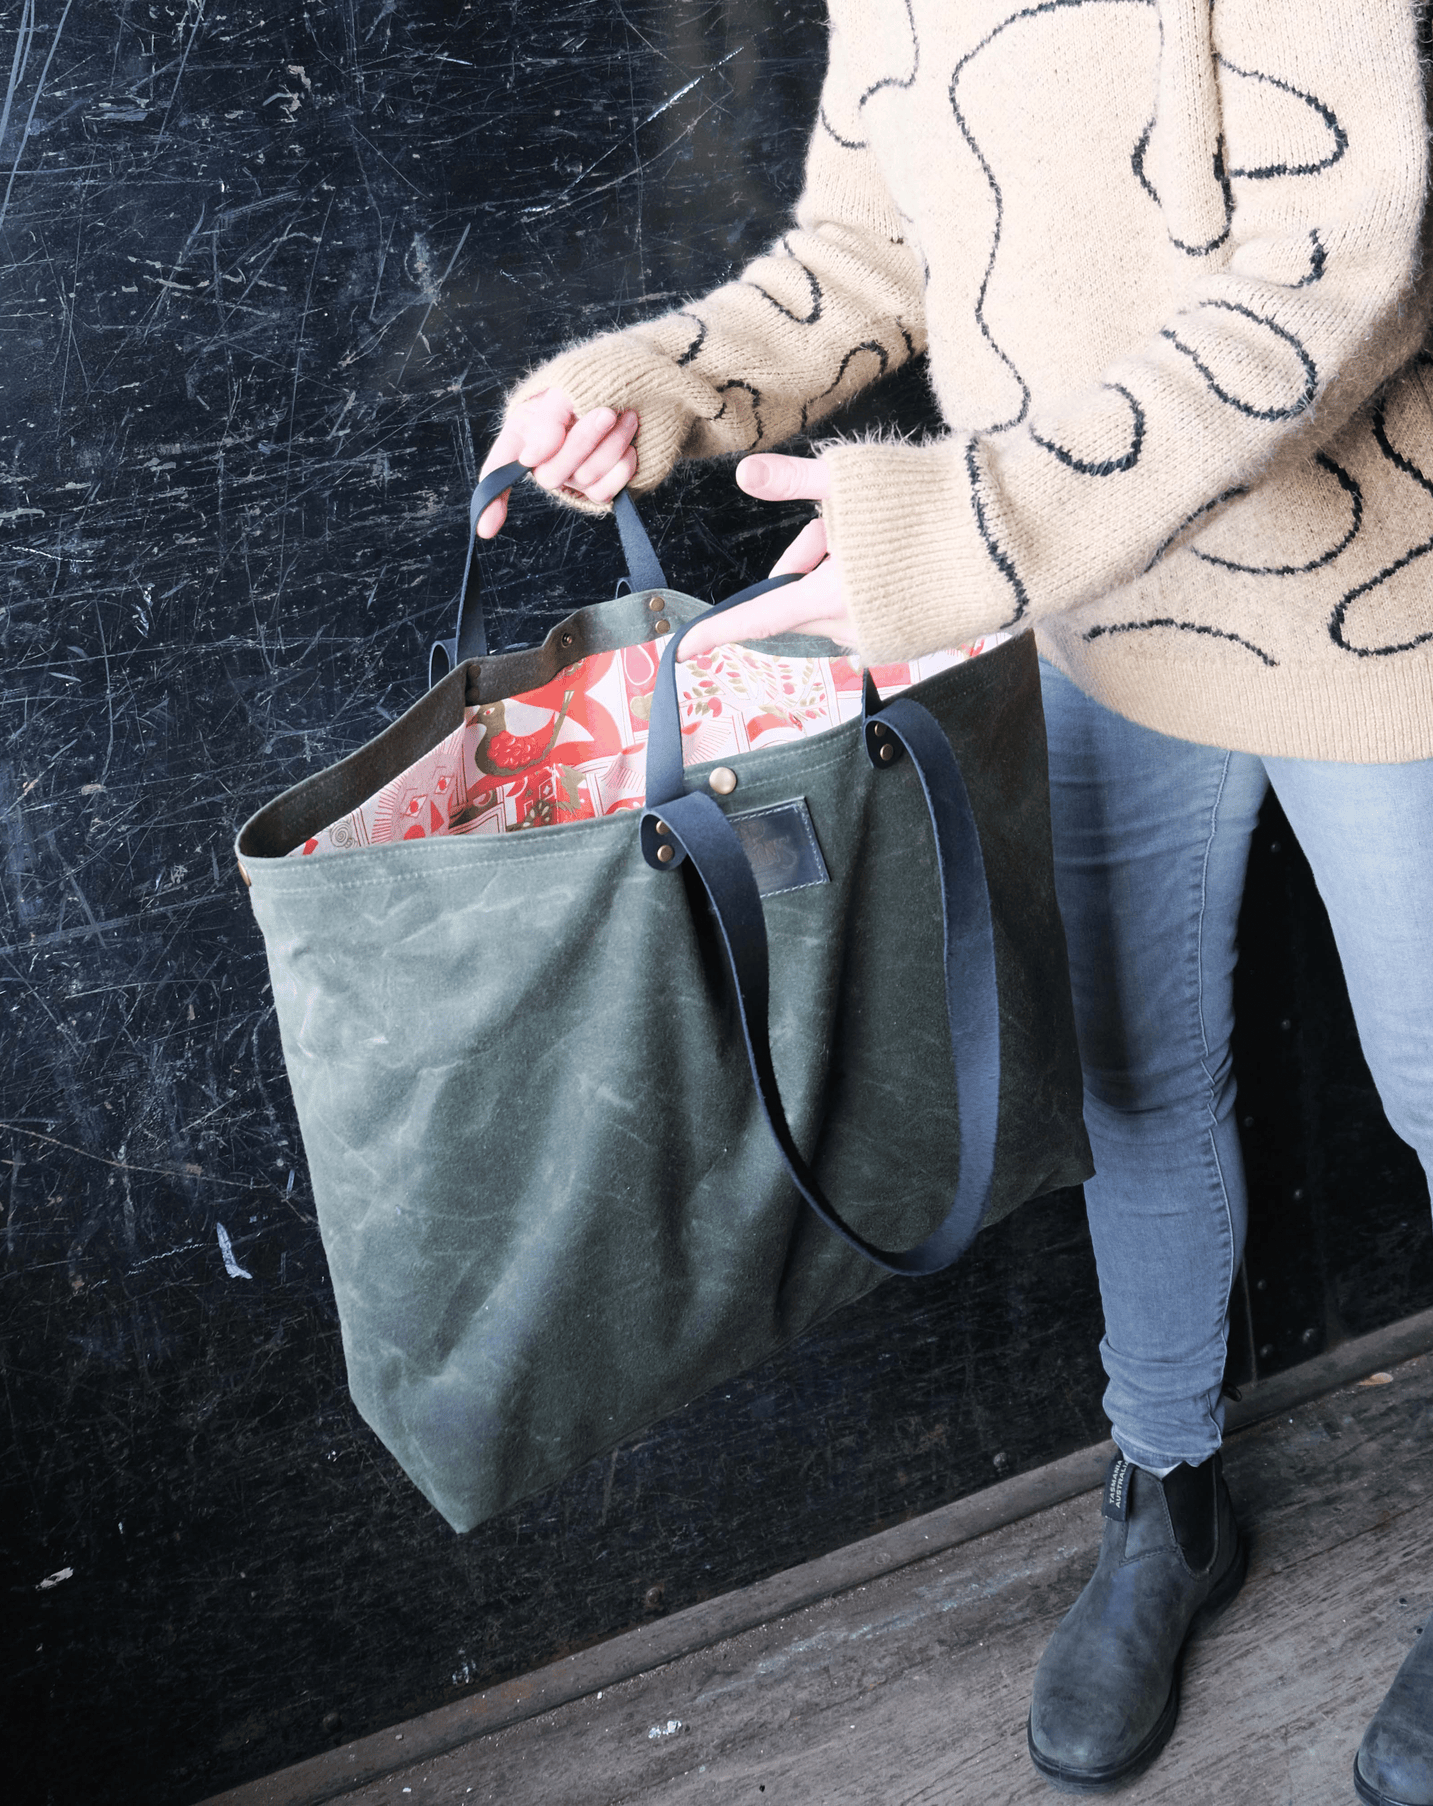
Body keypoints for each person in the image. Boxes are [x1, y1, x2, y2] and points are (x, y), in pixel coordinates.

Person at [479, 2, 1433, 1797]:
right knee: (1138, 1083)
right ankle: (1165, 1497)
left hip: (1373, 603)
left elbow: (1337, 271)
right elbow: (867, 247)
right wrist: (658, 385)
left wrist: (969, 518)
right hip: (1089, 622)